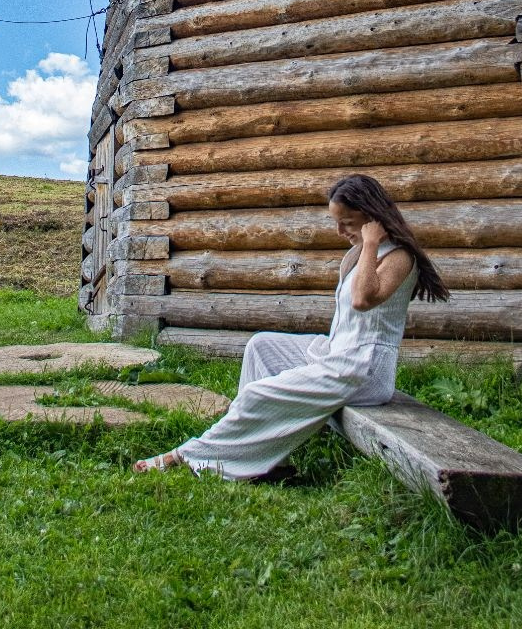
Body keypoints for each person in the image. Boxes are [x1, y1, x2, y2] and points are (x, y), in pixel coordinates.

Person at [133, 173, 450, 479]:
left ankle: (188, 454)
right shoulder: (357, 254)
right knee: (262, 347)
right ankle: (271, 462)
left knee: (259, 393)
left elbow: (363, 300)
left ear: (372, 219)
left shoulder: (398, 257)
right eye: (336, 222)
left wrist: (369, 245)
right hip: (336, 353)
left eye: (348, 224)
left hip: (363, 370)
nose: (340, 231)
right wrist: (363, 246)